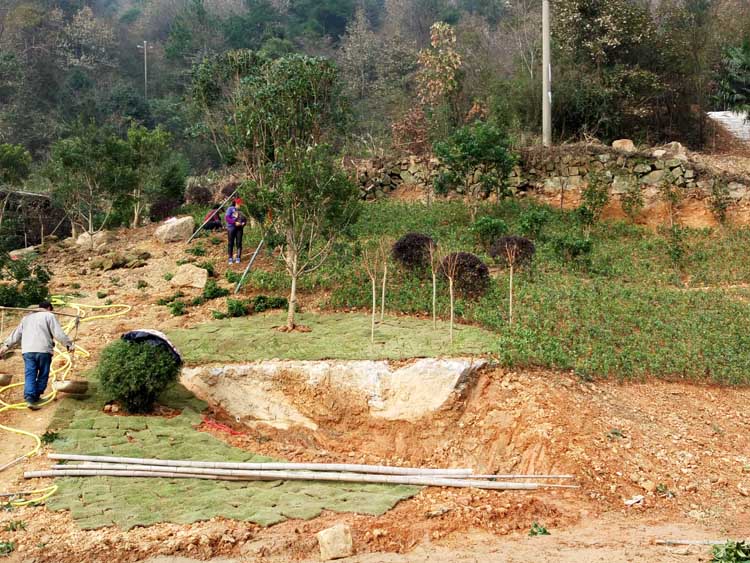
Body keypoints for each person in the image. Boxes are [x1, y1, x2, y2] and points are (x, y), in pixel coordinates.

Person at [0, 301, 74, 410]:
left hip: (28, 351)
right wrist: (69, 345)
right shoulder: (49, 316)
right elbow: (58, 334)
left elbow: (15, 335)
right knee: (43, 373)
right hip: (44, 350)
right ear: (49, 308)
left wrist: (4, 347)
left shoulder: (26, 318)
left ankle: (30, 398)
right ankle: (36, 395)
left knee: (30, 374)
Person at [225, 198, 244, 265]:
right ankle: (230, 258)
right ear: (236, 203)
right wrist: (234, 222)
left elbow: (244, 219)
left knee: (239, 242)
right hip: (231, 228)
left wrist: (243, 223)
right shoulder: (230, 209)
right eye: (240, 204)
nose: (241, 206)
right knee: (231, 243)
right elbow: (227, 218)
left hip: (239, 228)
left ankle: (238, 257)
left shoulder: (241, 211)